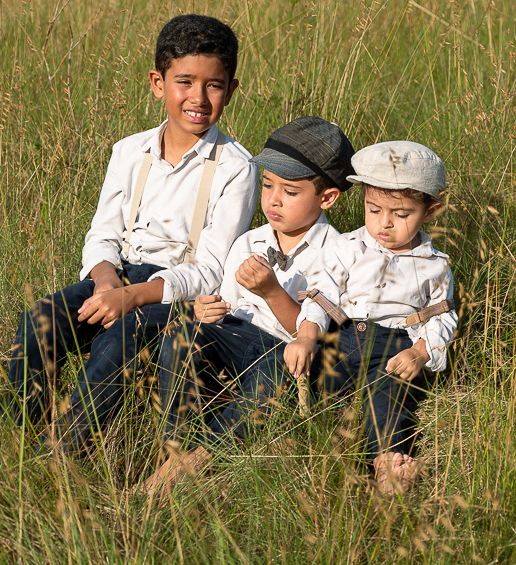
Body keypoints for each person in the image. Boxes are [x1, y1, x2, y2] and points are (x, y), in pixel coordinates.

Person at [4, 14, 259, 454]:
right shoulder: (129, 151)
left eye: (213, 85)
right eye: (184, 81)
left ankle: (64, 449)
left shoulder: (237, 167)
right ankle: (23, 435)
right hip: (116, 277)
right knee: (41, 319)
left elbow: (212, 271)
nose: (198, 98)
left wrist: (134, 297)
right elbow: (103, 233)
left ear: (231, 89)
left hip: (176, 294)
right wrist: (106, 283)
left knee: (123, 333)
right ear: (158, 83)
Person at [136, 116, 356, 497]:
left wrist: (272, 291)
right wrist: (206, 310)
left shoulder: (338, 254)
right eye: (268, 184)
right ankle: (174, 448)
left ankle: (195, 462)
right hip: (238, 338)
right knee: (182, 336)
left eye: (290, 191)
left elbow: (310, 332)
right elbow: (227, 306)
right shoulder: (249, 241)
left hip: (286, 353)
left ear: (328, 197)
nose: (272, 199)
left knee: (273, 373)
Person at [286, 140, 455, 494]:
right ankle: (290, 438)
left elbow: (441, 317)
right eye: (373, 209)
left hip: (392, 345)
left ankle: (389, 462)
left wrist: (420, 352)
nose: (384, 224)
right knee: (299, 377)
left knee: (388, 392)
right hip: (341, 336)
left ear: (431, 209)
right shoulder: (348, 247)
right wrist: (306, 335)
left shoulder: (434, 265)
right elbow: (321, 293)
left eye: (401, 214)